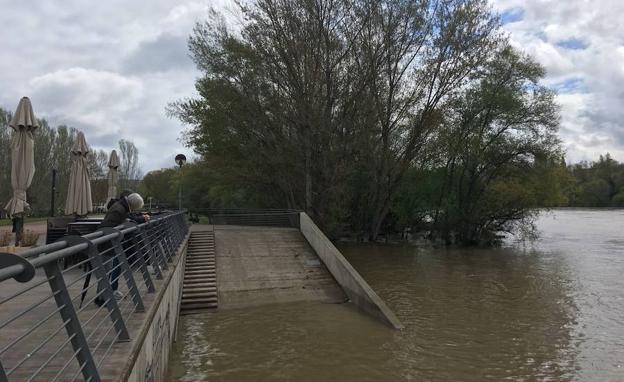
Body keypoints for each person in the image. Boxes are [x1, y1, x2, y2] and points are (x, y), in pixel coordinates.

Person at [94, 192, 148, 306]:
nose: (133, 210)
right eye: (134, 208)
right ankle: (101, 299)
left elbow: (121, 221)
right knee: (106, 270)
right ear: (132, 205)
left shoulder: (120, 206)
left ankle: (102, 297)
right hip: (106, 242)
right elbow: (111, 226)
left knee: (106, 270)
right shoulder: (120, 210)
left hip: (107, 241)